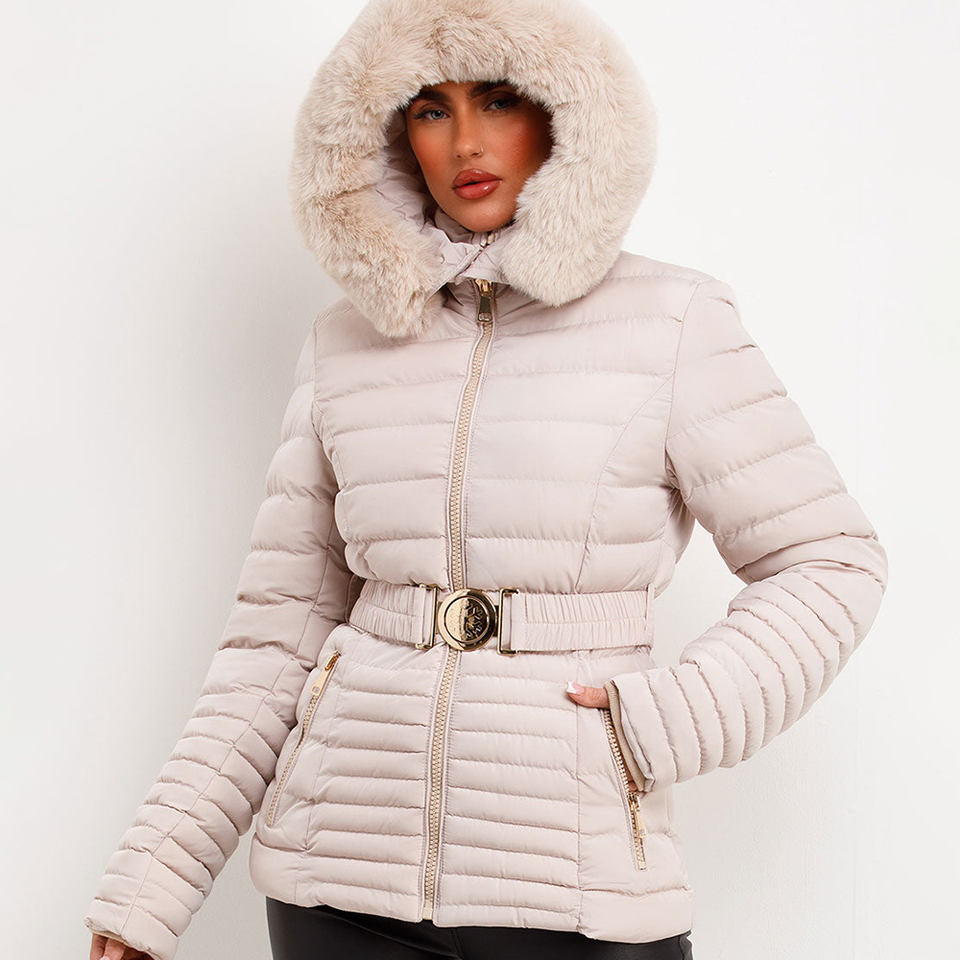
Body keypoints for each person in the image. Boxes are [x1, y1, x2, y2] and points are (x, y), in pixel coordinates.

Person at [84, 1, 889, 958]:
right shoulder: (344, 343)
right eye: (431, 108)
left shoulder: (675, 321)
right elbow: (276, 638)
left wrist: (659, 724)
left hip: (576, 890)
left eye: (498, 99)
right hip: (337, 886)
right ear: (390, 132)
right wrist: (148, 891)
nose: (465, 141)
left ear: (564, 109)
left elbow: (830, 562)